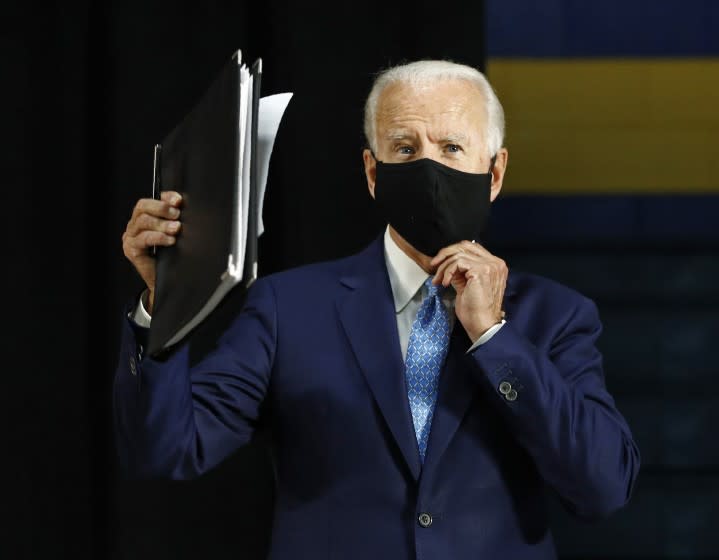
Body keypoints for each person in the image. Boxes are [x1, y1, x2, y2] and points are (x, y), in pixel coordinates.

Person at [115, 59, 640, 559]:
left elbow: (602, 487)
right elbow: (167, 450)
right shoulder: (288, 308)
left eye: (453, 146)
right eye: (405, 149)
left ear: (495, 172)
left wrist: (495, 337)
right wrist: (167, 301)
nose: (430, 167)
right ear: (372, 171)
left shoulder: (557, 316)